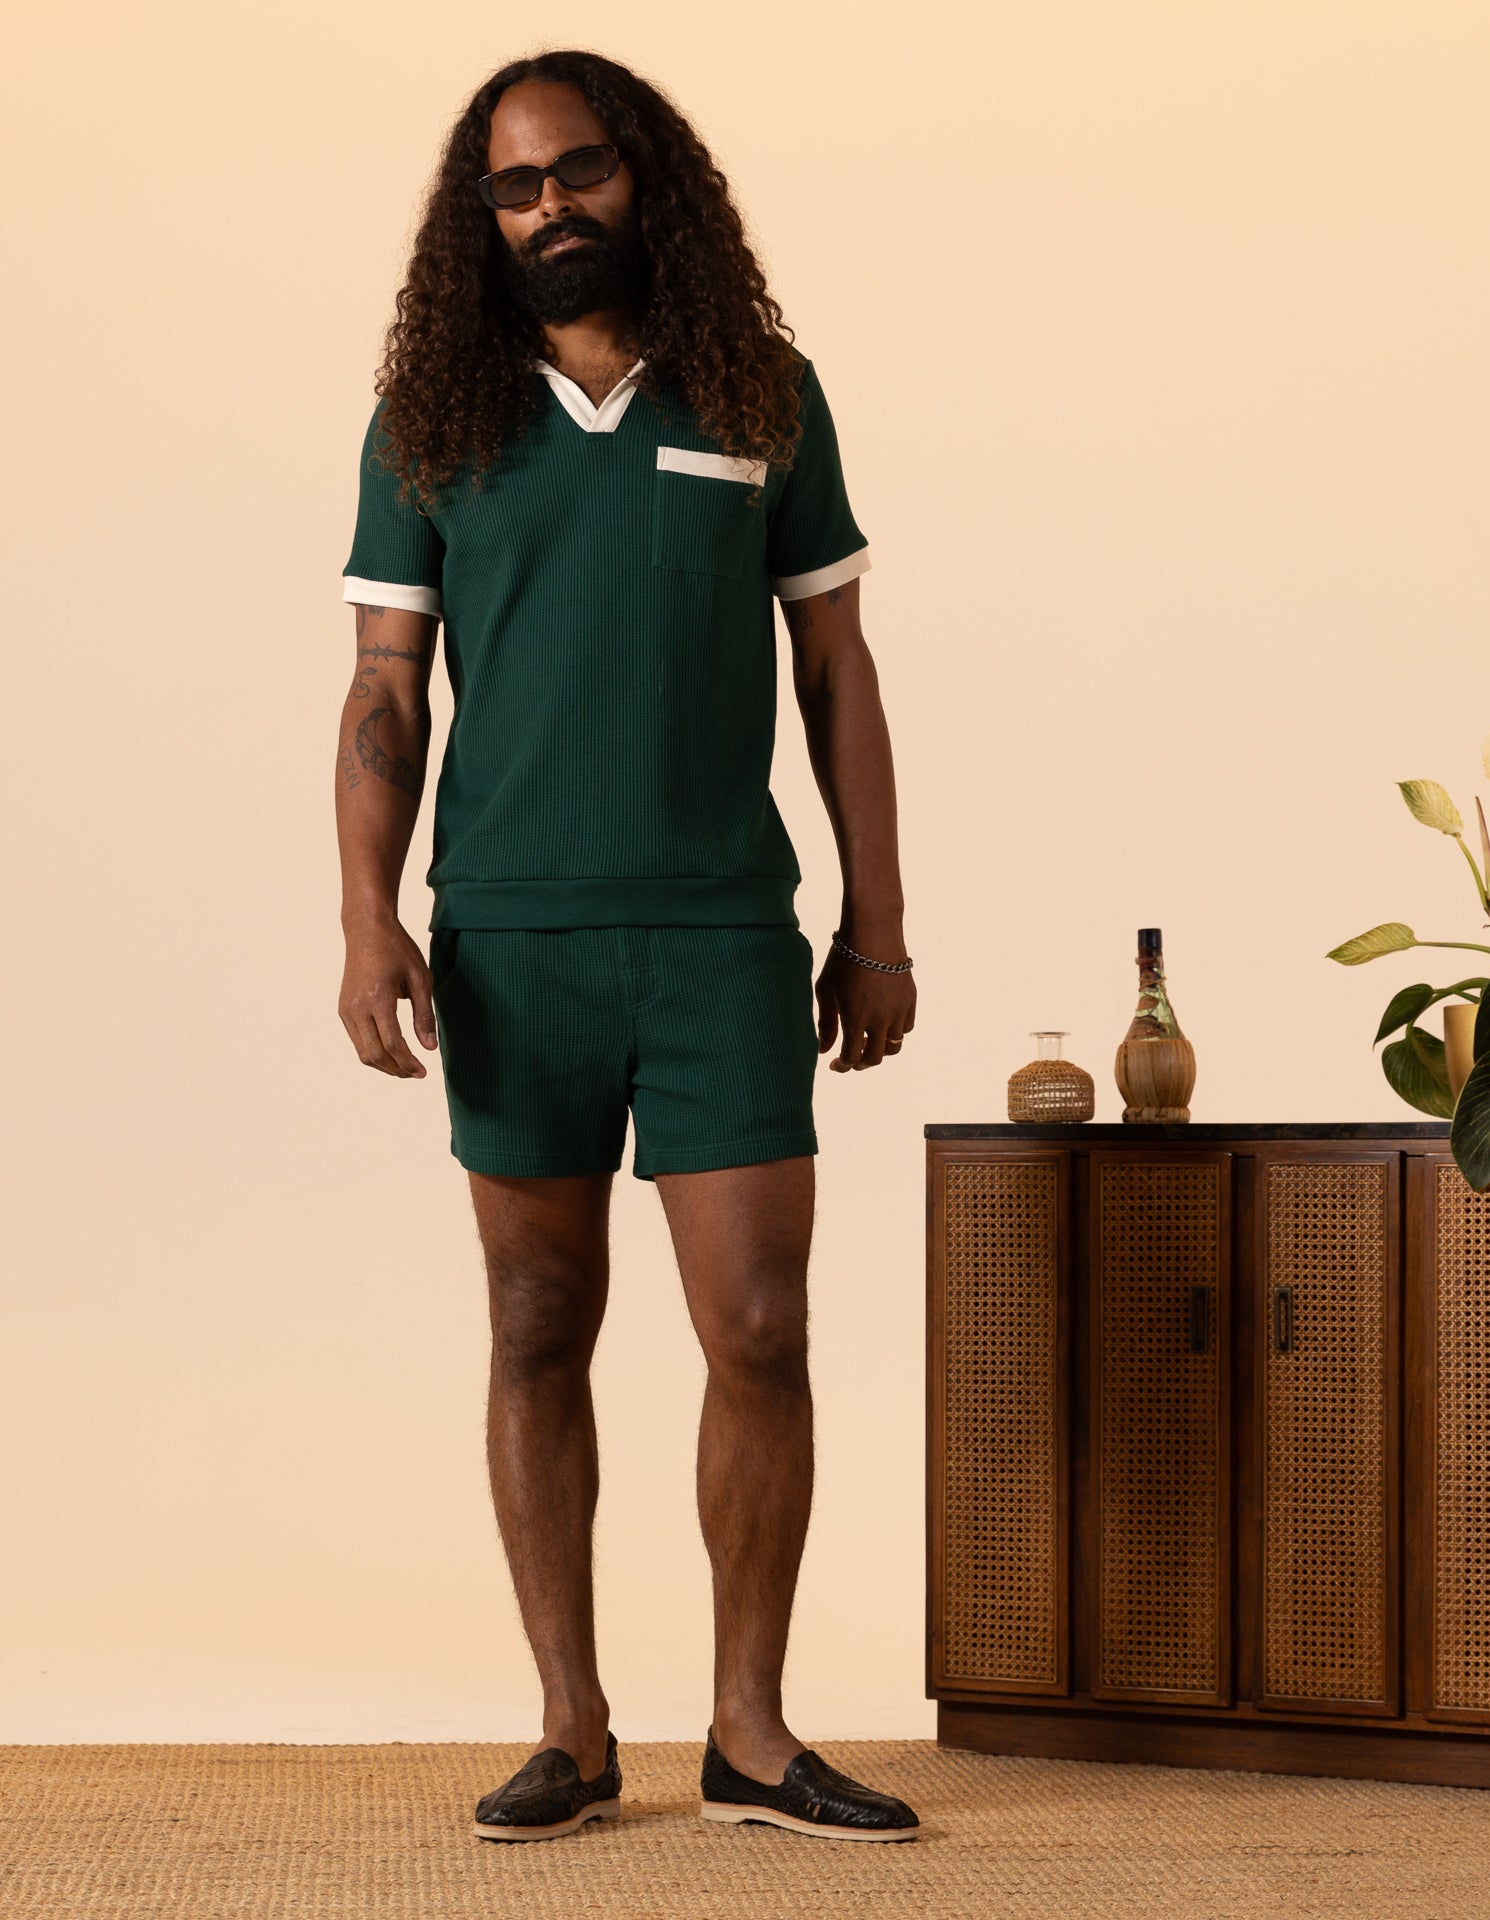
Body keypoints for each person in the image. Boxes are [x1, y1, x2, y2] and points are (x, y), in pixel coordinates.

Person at [334, 47, 918, 1845]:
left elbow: (836, 670)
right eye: (511, 188)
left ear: (642, 177)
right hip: (510, 937)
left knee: (760, 1327)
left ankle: (748, 1729)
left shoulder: (764, 388)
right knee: (535, 1327)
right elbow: (382, 690)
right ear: (477, 215)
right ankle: (572, 1728)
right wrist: (368, 920)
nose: (547, 209)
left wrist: (876, 921)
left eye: (577, 173)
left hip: (724, 937)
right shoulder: (432, 415)